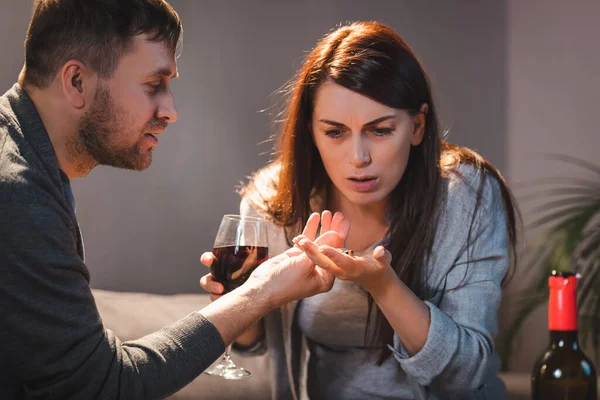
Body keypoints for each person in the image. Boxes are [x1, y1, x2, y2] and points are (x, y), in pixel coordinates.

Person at [0, 1, 350, 398]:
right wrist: (260, 293)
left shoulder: (26, 160)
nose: (171, 110)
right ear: (77, 82)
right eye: (154, 85)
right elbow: (102, 387)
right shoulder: (19, 192)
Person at [200, 21, 520, 399]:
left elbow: (468, 373)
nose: (358, 158)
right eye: (334, 132)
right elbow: (256, 347)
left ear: (416, 126)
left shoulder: (467, 196)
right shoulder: (272, 202)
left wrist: (382, 285)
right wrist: (241, 306)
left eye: (380, 130)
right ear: (311, 133)